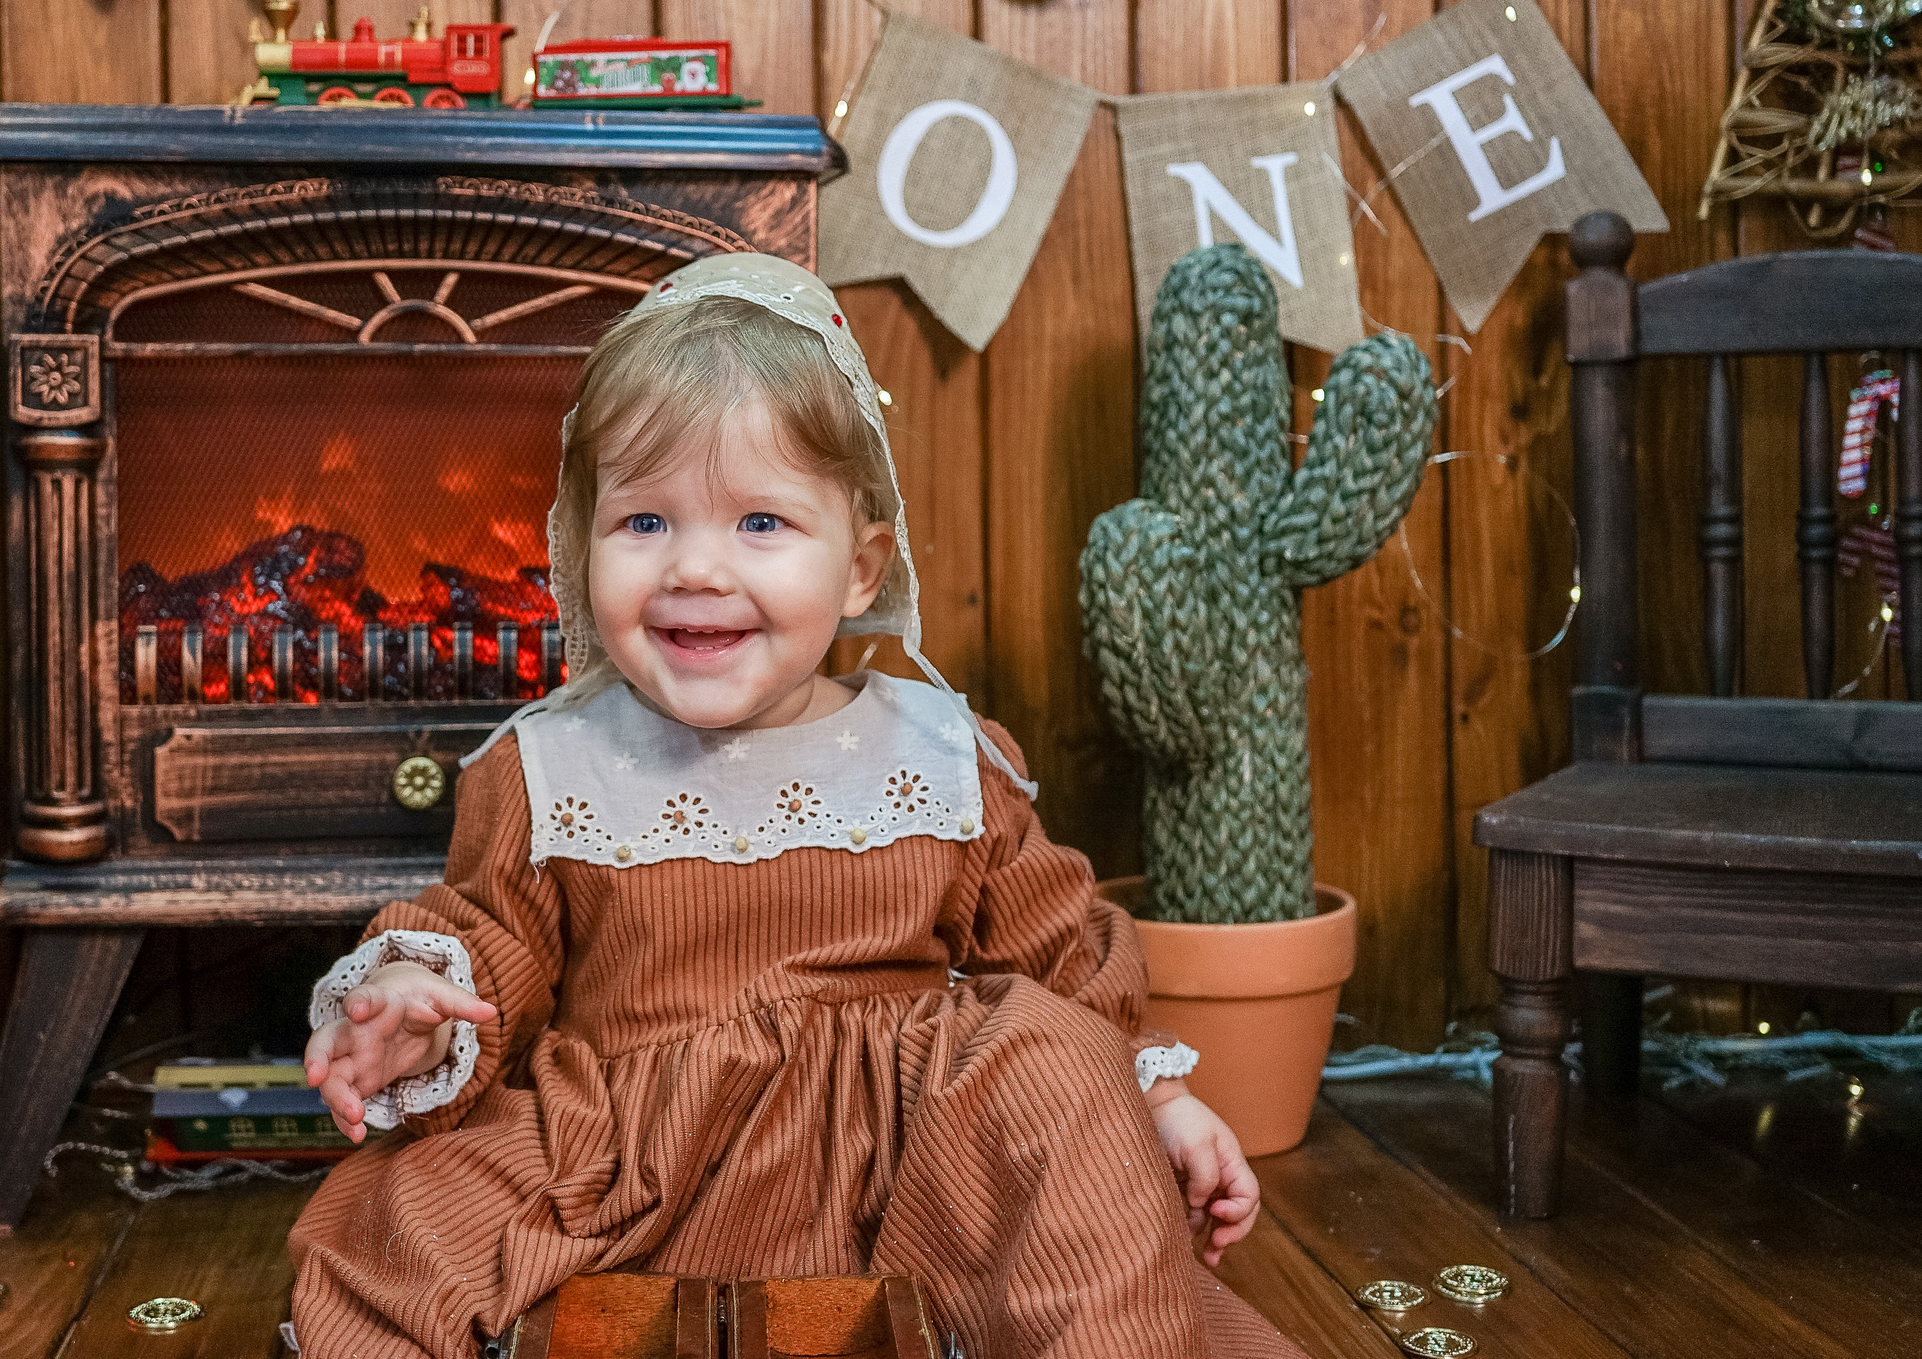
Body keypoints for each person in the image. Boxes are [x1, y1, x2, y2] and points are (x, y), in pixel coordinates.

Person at [289, 253, 1304, 1359]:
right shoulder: (555, 765)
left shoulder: (938, 754)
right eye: (644, 522)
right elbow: (488, 938)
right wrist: (415, 1001)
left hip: (915, 1171)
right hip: (627, 1164)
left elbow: (1062, 953)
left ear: (861, 567)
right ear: (581, 549)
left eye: (761, 522)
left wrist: (1157, 1100)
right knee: (388, 1222)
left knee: (1054, 1058)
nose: (696, 569)